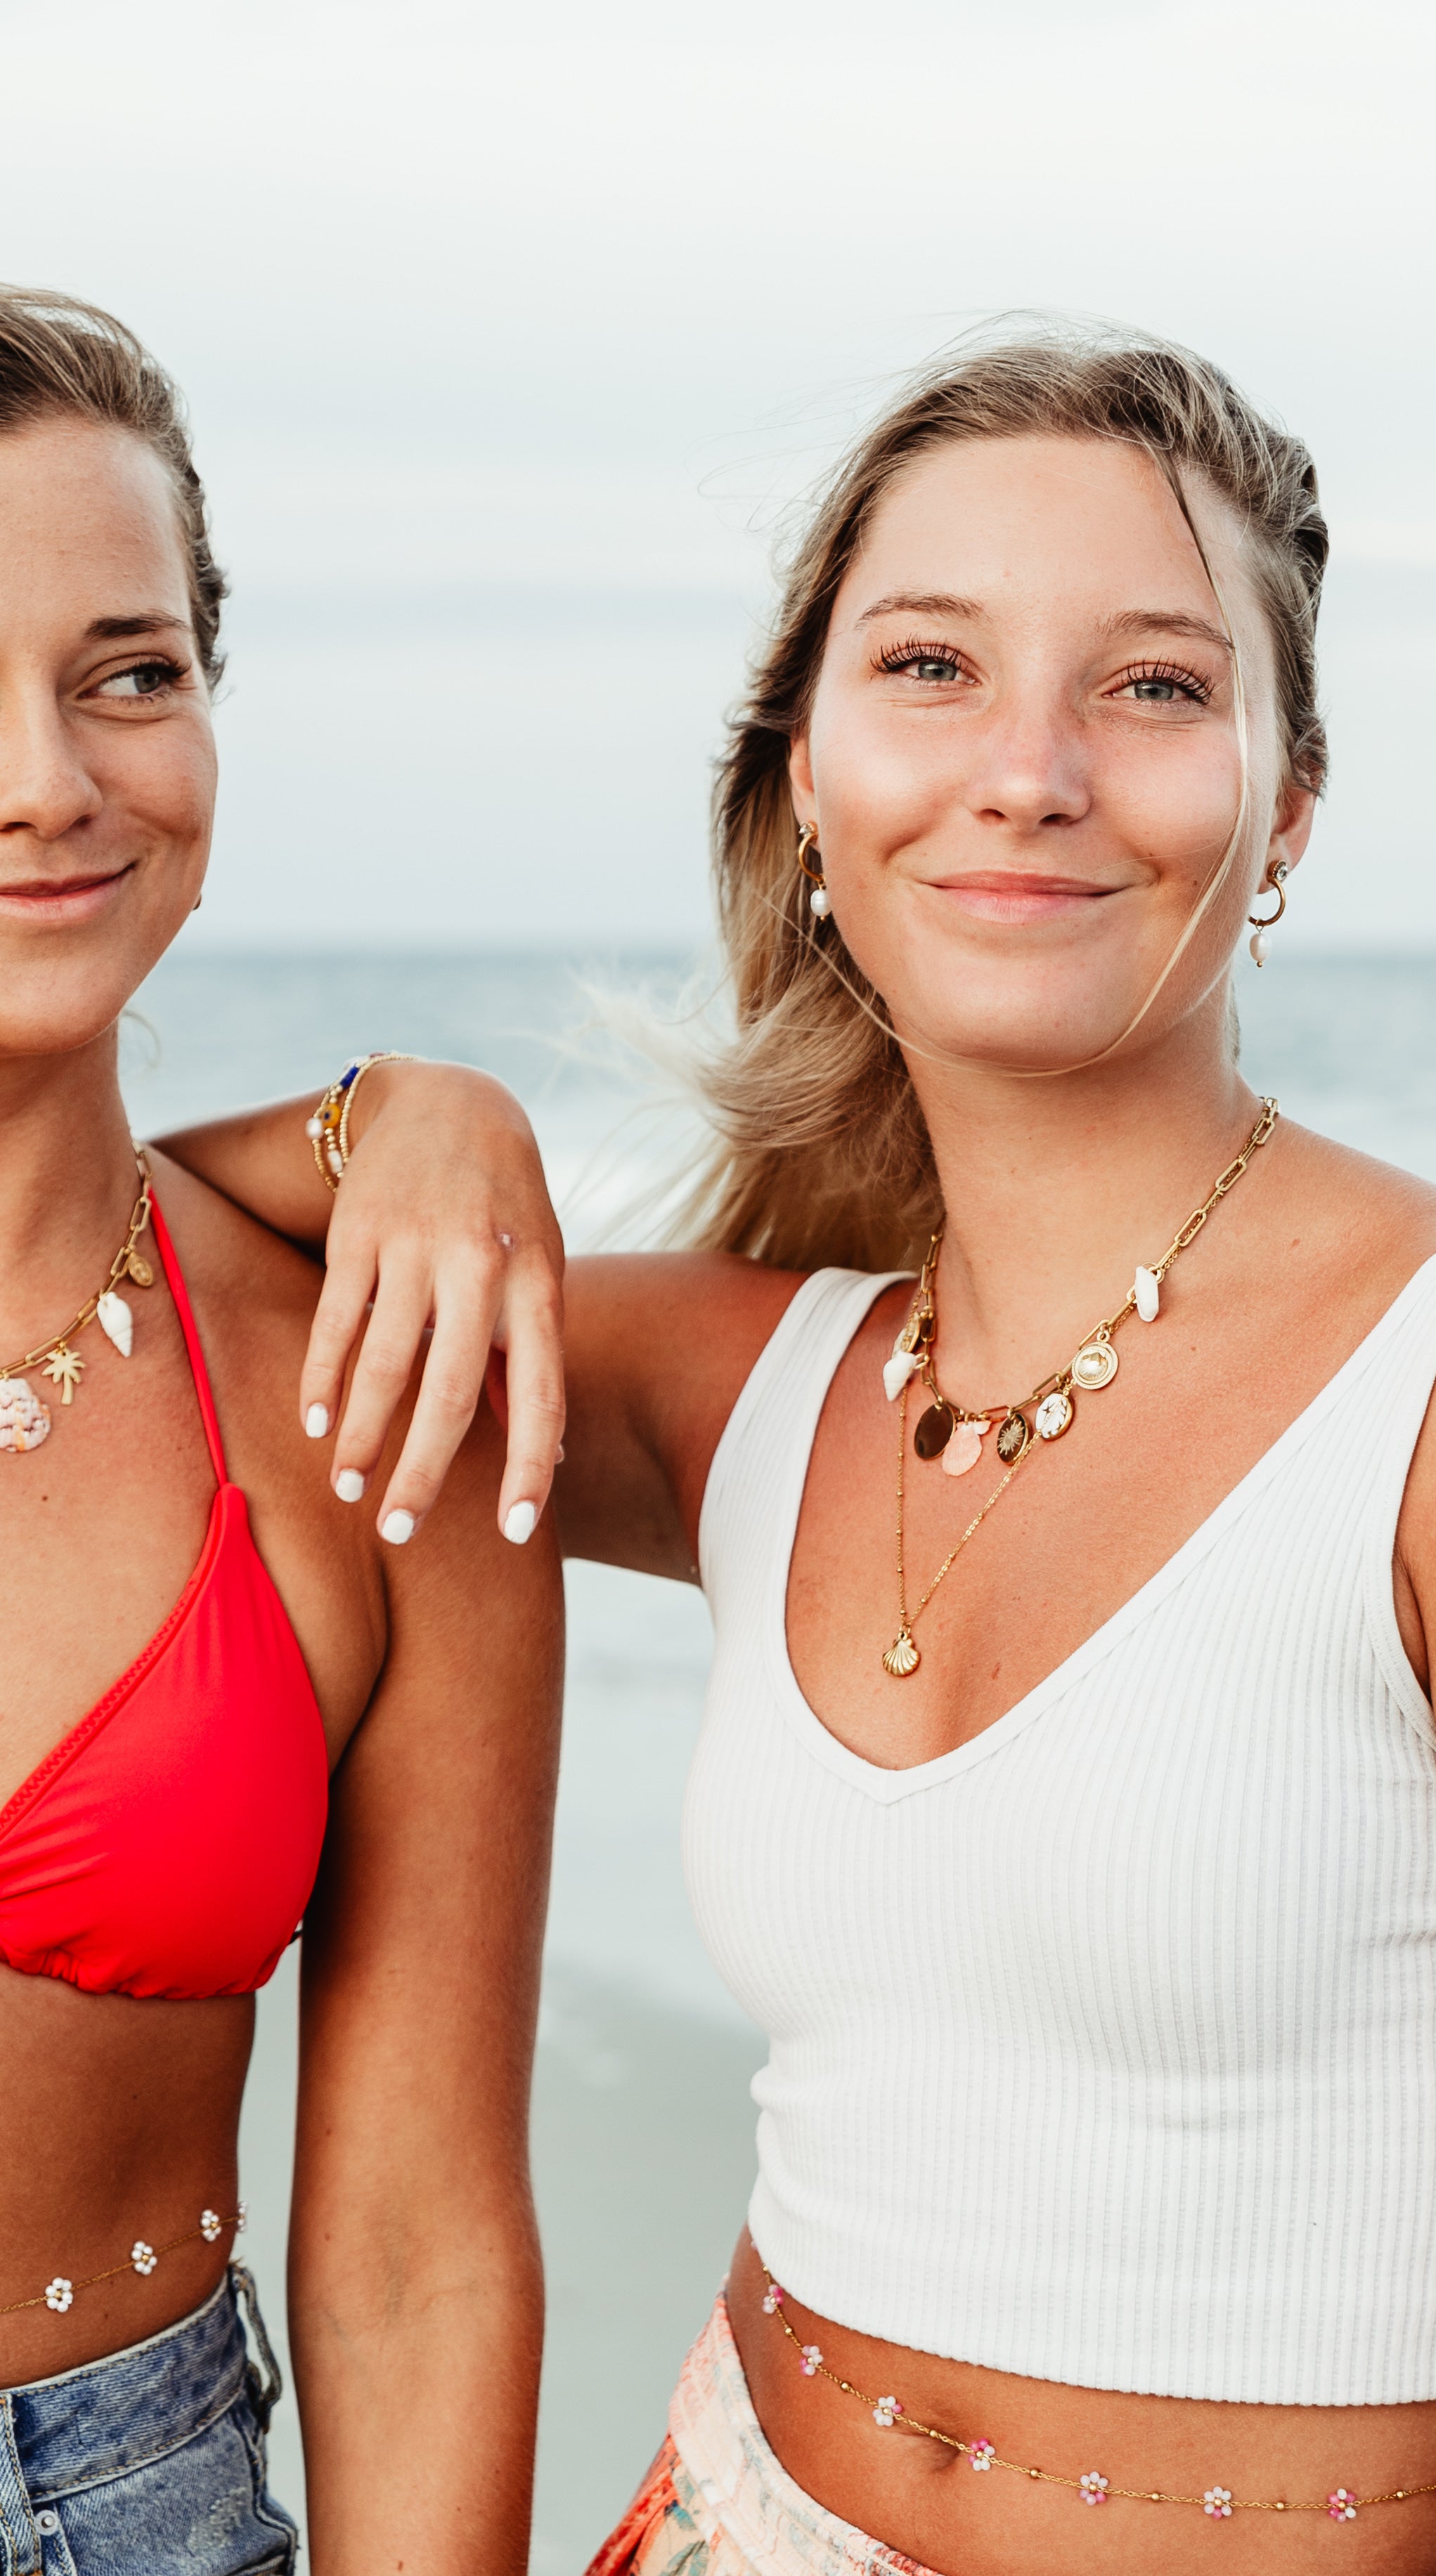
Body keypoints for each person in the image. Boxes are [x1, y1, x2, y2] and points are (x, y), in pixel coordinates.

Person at [176, 327, 1436, 2575]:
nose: (1031, 771)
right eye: (932, 665)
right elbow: (143, 1264)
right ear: (804, 784)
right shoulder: (761, 1382)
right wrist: (399, 1113)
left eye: (1153, 686)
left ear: (1291, 799)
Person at [0, 285, 560, 2571]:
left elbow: (420, 2248)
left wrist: (419, 1113)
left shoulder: (376, 1383)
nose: (47, 776)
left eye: (127, 671)